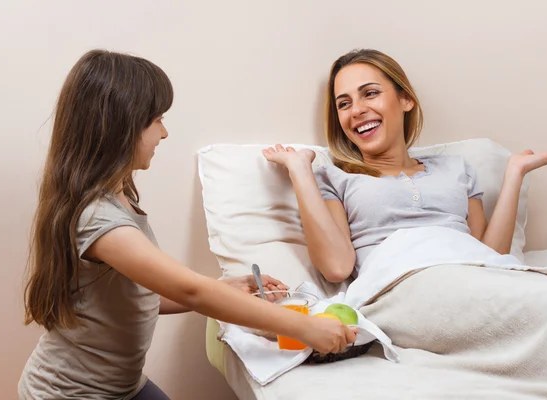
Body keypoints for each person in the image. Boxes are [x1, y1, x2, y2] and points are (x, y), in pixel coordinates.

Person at [18, 49, 357, 400]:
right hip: (69, 394)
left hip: (124, 388)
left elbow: (141, 294)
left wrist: (227, 286)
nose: (164, 133)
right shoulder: (96, 217)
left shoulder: (118, 198)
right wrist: (305, 327)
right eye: (156, 120)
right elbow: (189, 290)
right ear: (120, 125)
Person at [262, 48, 547, 282]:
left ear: (406, 100)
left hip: (474, 282)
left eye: (369, 94)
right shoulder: (336, 178)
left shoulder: (458, 169)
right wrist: (300, 170)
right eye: (343, 103)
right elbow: (336, 268)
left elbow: (491, 260)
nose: (356, 110)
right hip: (403, 290)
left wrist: (514, 172)